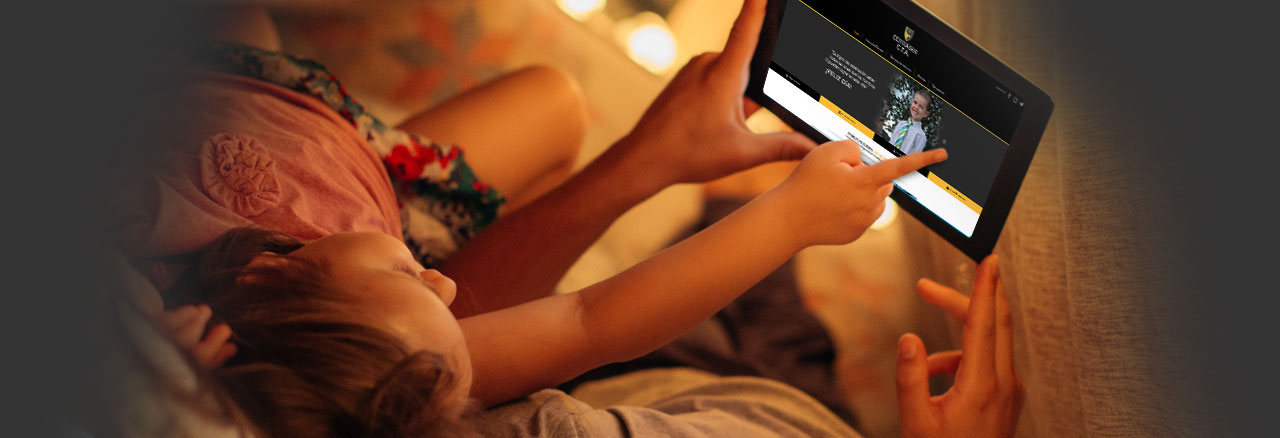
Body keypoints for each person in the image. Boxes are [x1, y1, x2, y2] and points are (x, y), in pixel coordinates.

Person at [888, 89, 932, 155]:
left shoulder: (921, 136)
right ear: (911, 102)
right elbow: (891, 141)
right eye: (915, 102)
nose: (916, 107)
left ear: (926, 114)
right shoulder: (900, 124)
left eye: (921, 107)